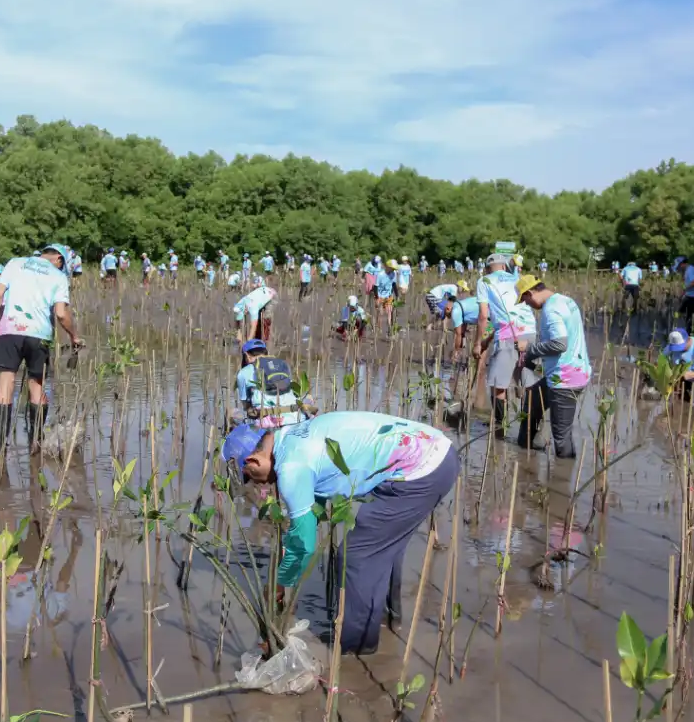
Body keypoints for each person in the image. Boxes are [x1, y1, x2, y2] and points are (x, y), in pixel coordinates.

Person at [221, 412, 459, 655]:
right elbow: (311, 515)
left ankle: (357, 647)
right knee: (381, 544)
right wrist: (288, 557)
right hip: (436, 449)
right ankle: (387, 619)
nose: (256, 484)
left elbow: (304, 544)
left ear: (253, 460)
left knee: (356, 556)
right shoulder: (291, 436)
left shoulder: (291, 467)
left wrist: (280, 586)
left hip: (422, 468)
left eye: (249, 477)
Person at [0, 244, 83, 453]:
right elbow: (60, 314)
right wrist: (73, 335)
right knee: (37, 387)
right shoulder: (58, 277)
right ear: (58, 259)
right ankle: (35, 443)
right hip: (40, 335)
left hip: (10, 330)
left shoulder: (15, 263)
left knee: (5, 386)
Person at [515, 275, 590, 458]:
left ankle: (563, 478)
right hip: (568, 372)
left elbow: (559, 344)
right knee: (532, 399)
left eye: (525, 300)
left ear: (530, 292)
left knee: (561, 435)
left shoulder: (550, 310)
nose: (527, 305)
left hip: (565, 380)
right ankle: (524, 456)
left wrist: (530, 349)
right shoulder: (565, 300)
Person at [473, 254, 538, 437]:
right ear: (504, 267)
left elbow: (483, 316)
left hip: (507, 336)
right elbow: (507, 314)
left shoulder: (484, 281)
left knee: (497, 384)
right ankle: (530, 429)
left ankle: (500, 429)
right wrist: (488, 340)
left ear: (487, 268)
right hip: (530, 332)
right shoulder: (517, 278)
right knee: (527, 383)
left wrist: (478, 342)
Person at [235, 339, 305, 427]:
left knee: (233, 414)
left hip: (269, 422)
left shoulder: (243, 373)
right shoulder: (282, 365)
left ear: (247, 355)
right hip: (297, 416)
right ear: (266, 353)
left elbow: (245, 405)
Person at [676, 256, 694, 331]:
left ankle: (689, 331)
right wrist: (682, 294)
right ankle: (678, 324)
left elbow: (693, 282)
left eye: (679, 266)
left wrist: (685, 288)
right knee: (680, 311)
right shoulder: (688, 270)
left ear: (682, 264)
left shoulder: (690, 270)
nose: (679, 268)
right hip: (689, 295)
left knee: (690, 315)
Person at [377, 260, 399, 331]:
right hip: (380, 296)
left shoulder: (393, 274)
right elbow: (375, 287)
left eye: (394, 269)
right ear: (387, 267)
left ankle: (389, 328)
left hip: (389, 296)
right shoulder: (380, 274)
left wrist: (397, 295)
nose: (393, 270)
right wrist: (377, 298)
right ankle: (379, 329)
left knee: (389, 312)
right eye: (392, 268)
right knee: (381, 313)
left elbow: (394, 284)